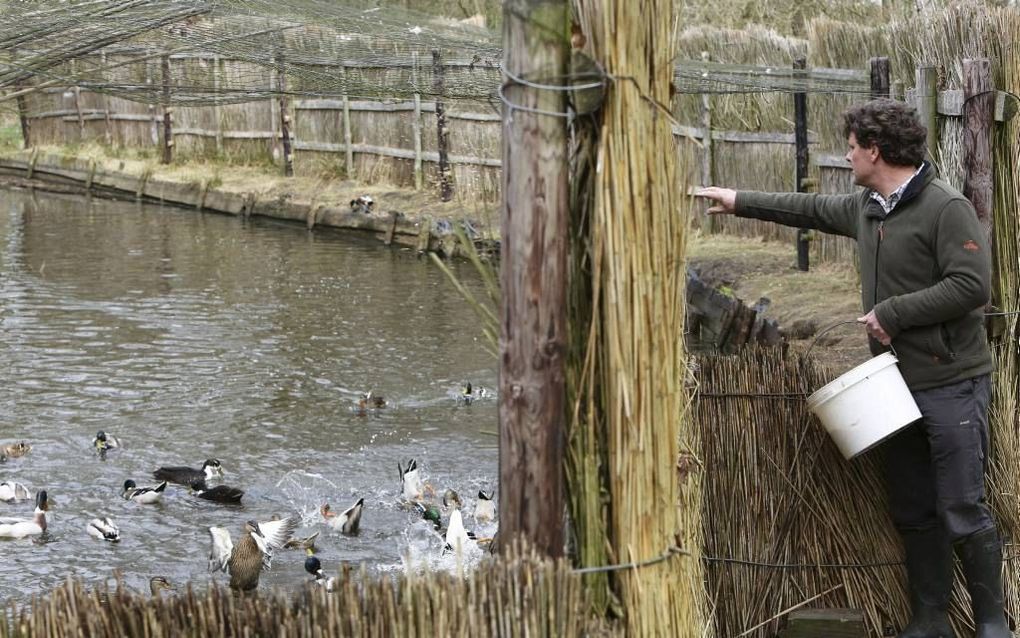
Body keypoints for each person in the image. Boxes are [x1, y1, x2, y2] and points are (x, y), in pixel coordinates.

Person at [697, 98, 1008, 638]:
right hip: (896, 384)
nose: (846, 157)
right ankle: (930, 620)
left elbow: (971, 287)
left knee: (962, 504)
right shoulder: (870, 208)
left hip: (951, 381)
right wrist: (739, 200)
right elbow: (810, 210)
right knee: (914, 506)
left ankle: (992, 625)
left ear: (875, 150)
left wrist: (891, 313)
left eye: (851, 147)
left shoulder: (944, 207)